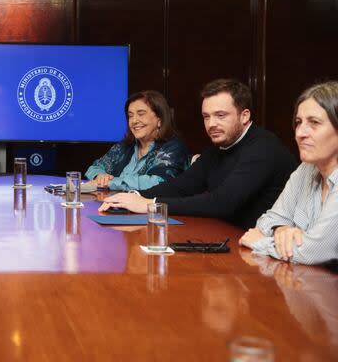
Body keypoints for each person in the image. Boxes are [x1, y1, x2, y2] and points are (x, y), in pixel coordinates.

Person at [100, 78, 297, 228]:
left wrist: (150, 204)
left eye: (220, 115)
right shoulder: (217, 149)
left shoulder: (263, 148)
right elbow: (181, 186)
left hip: (266, 251)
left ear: (244, 116)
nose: (211, 124)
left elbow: (222, 202)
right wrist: (133, 196)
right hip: (228, 237)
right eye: (206, 117)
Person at [239, 81, 338, 265]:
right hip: (308, 284)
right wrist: (281, 230)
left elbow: (311, 252)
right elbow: (267, 219)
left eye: (314, 123)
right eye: (299, 122)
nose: (300, 133)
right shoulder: (306, 169)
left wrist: (259, 242)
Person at [85, 90, 188, 191]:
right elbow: (94, 168)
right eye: (130, 116)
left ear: (159, 119)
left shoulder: (173, 147)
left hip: (149, 207)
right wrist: (100, 176)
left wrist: (111, 183)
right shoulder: (125, 146)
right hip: (114, 205)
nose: (134, 121)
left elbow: (157, 181)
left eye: (141, 114)